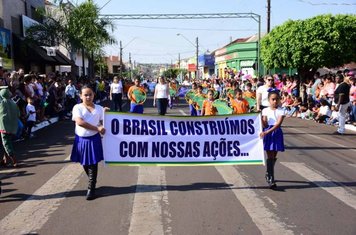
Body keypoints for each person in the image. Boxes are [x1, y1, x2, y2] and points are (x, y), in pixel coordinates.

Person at [70, 85, 106, 200]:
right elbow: (80, 122)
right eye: (85, 95)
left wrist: (108, 115)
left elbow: (102, 121)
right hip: (81, 140)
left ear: (93, 95)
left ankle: (91, 188)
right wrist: (97, 128)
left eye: (90, 94)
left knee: (93, 163)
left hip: (94, 139)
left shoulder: (99, 108)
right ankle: (93, 181)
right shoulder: (77, 107)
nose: (88, 97)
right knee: (85, 163)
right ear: (81, 96)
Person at [260, 90, 286, 189]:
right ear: (269, 100)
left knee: (274, 155)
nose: (275, 101)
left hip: (276, 133)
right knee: (270, 155)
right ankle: (271, 178)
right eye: (273, 99)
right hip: (268, 133)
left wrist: (267, 131)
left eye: (276, 99)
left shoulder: (281, 110)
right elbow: (265, 124)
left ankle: (268, 173)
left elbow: (278, 124)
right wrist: (261, 119)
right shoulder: (265, 110)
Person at [0, 87, 20, 167]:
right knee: (6, 142)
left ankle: (14, 160)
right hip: (13, 126)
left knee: (6, 143)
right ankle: (5, 160)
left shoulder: (2, 103)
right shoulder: (13, 103)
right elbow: (18, 114)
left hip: (4, 127)